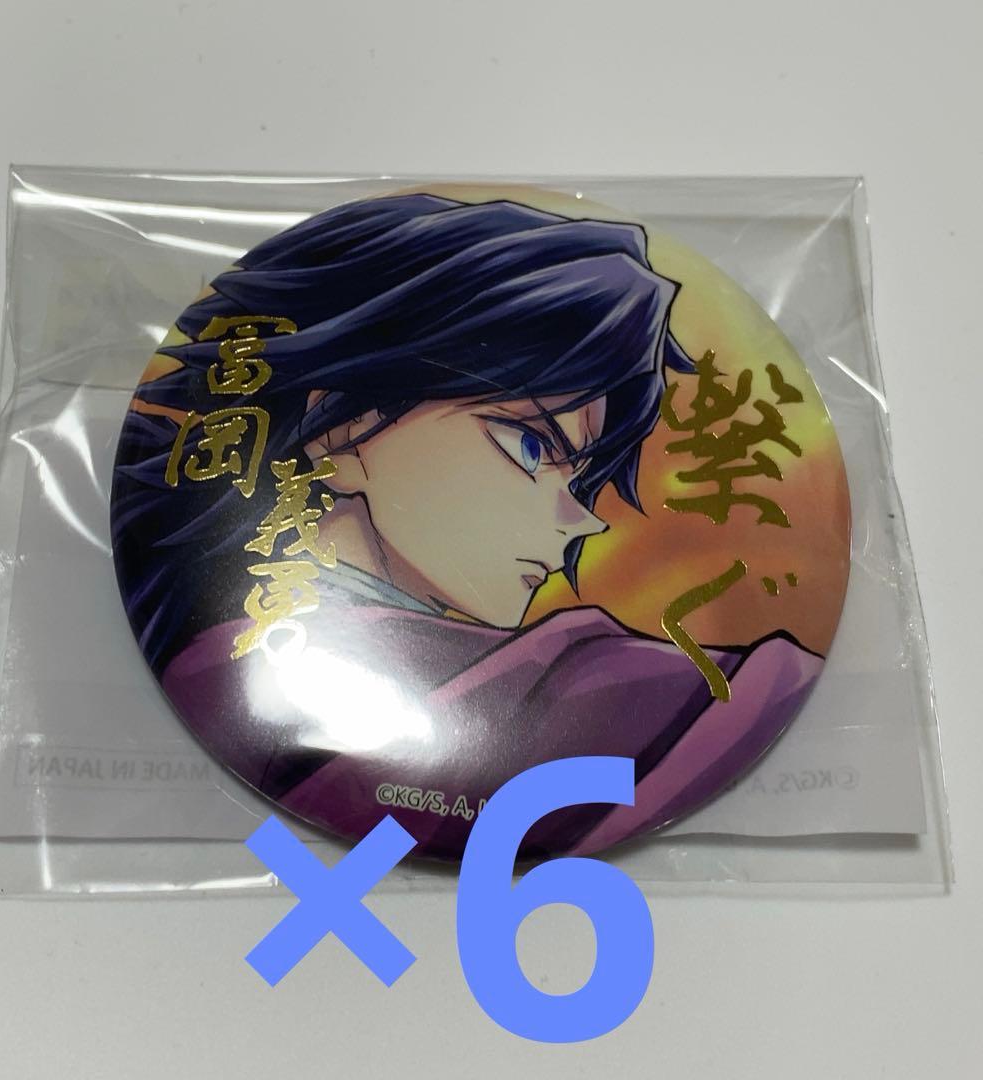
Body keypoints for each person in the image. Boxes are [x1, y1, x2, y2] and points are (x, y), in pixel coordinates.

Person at [112, 193, 821, 858]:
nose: (583, 520)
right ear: (344, 432)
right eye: (531, 446)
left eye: (580, 477)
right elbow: (734, 695)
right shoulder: (574, 690)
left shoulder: (226, 666)